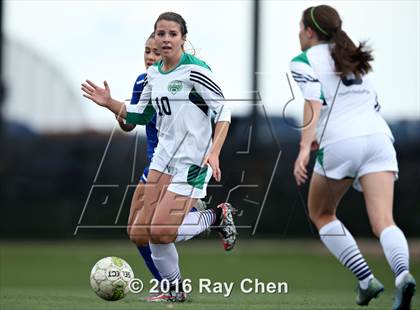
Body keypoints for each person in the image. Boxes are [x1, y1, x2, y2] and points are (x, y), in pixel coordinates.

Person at [82, 12, 236, 302]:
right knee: (142, 231)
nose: (165, 39)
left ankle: (216, 216)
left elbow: (223, 112)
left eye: (172, 34)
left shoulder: (196, 70)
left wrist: (214, 153)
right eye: (160, 34)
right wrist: (109, 103)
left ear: (183, 39)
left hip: (192, 161)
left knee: (161, 231)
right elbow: (140, 115)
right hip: (162, 160)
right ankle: (175, 291)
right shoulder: (153, 74)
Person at [291, 5, 416, 309]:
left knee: (321, 213)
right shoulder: (352, 55)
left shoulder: (303, 59)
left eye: (300, 28)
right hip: (379, 138)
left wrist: (304, 148)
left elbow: (313, 103)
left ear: (309, 32)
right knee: (385, 221)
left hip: (341, 141)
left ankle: (366, 280)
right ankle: (403, 276)